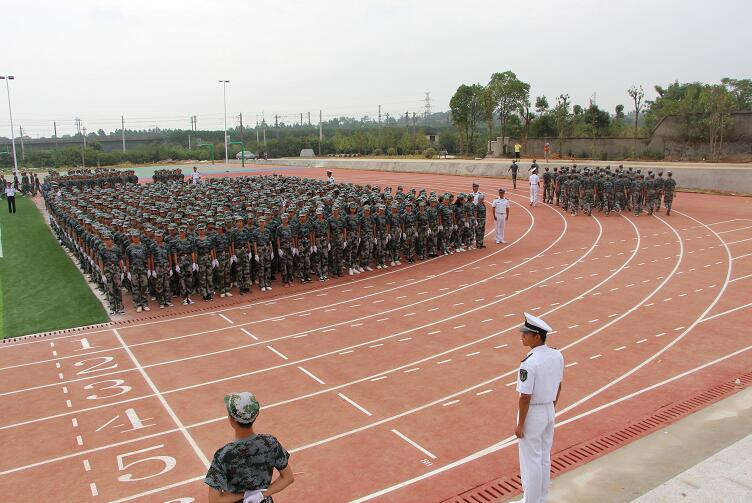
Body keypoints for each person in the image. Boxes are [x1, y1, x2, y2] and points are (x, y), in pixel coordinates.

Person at [205, 392, 294, 503]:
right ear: (256, 415)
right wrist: (260, 494)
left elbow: (214, 500)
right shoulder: (270, 443)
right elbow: (288, 477)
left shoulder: (223, 455)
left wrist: (244, 495)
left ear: (232, 419)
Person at [515, 312, 564, 503]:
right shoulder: (557, 354)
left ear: (537, 336)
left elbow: (524, 397)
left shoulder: (529, 363)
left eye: (526, 334)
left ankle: (530, 500)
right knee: (543, 457)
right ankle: (540, 498)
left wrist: (520, 424)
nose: (522, 336)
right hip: (549, 409)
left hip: (533, 413)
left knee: (531, 461)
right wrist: (551, 406)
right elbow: (559, 384)